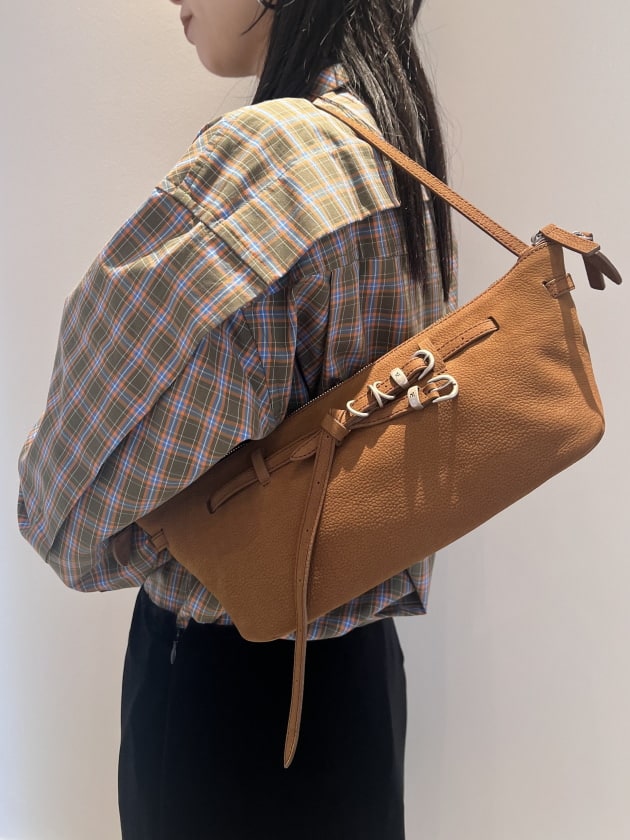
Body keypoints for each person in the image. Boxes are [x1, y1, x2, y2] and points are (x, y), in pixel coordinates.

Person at [17, 0, 457, 837]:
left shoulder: (268, 160)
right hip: (361, 686)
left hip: (228, 703)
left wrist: (167, 535)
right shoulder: (394, 140)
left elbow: (60, 510)